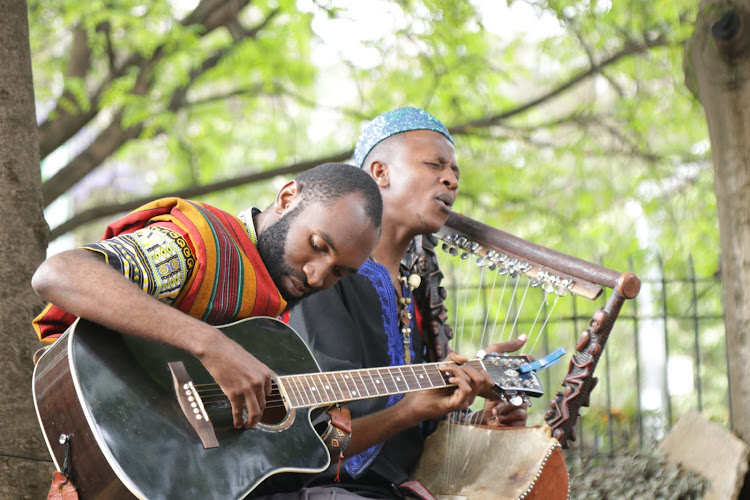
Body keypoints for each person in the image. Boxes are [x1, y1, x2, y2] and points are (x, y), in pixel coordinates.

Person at [285, 108, 528, 499]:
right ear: (380, 173)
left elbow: (414, 425)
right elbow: (318, 436)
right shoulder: (323, 275)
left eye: (455, 173)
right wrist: (410, 411)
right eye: (435, 164)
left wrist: (482, 416)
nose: (450, 179)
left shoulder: (414, 288)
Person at [31, 162, 383, 431]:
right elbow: (59, 273)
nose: (317, 276)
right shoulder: (196, 247)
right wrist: (211, 344)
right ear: (287, 198)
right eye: (318, 246)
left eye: (339, 273)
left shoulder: (273, 313)